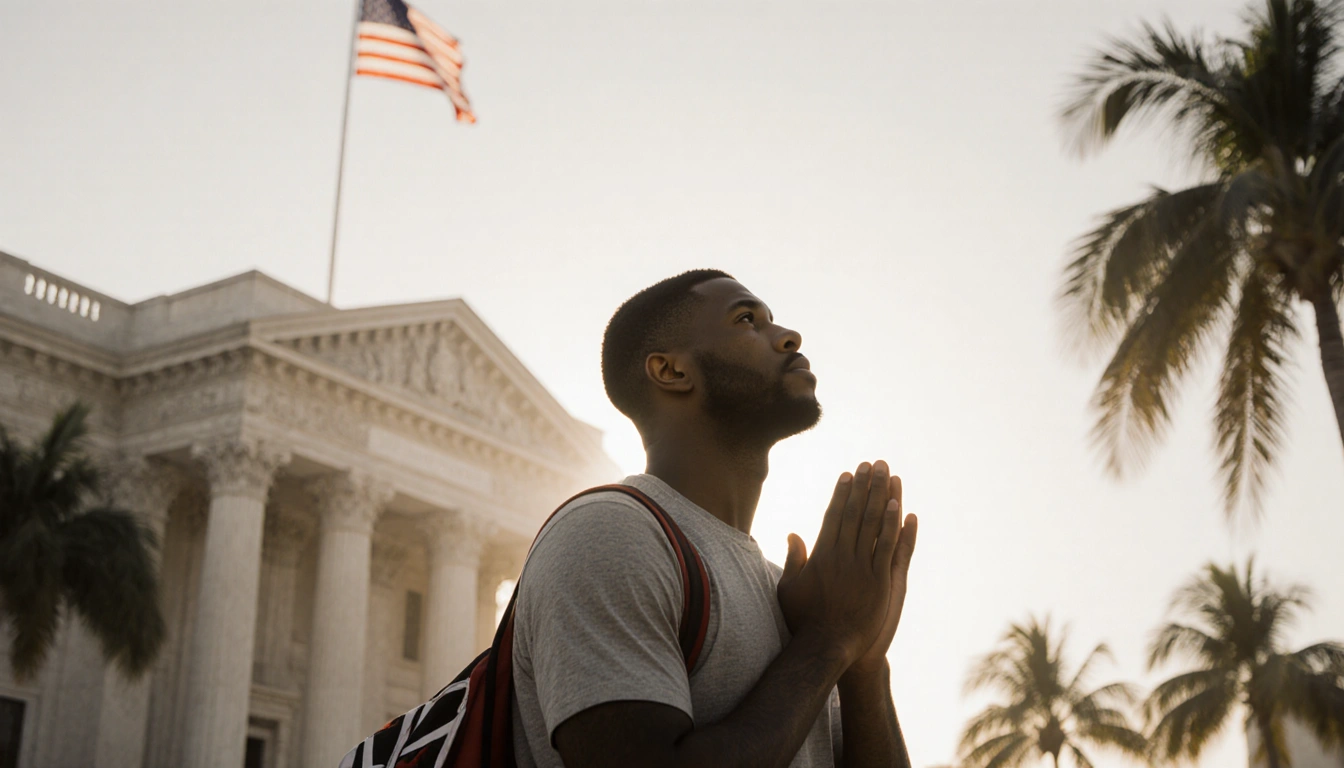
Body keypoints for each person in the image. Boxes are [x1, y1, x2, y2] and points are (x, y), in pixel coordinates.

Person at [511, 269, 919, 768]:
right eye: (747, 319)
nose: (788, 336)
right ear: (671, 371)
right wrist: (827, 642)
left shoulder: (796, 596)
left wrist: (864, 661)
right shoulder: (608, 532)